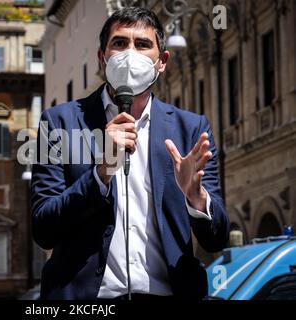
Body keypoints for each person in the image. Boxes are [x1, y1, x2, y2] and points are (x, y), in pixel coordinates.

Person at [31, 7, 229, 300]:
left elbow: (217, 239)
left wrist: (195, 198)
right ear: (102, 57)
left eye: (143, 44)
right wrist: (100, 174)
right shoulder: (60, 123)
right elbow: (43, 227)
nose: (130, 53)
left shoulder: (191, 128)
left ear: (162, 62)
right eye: (120, 43)